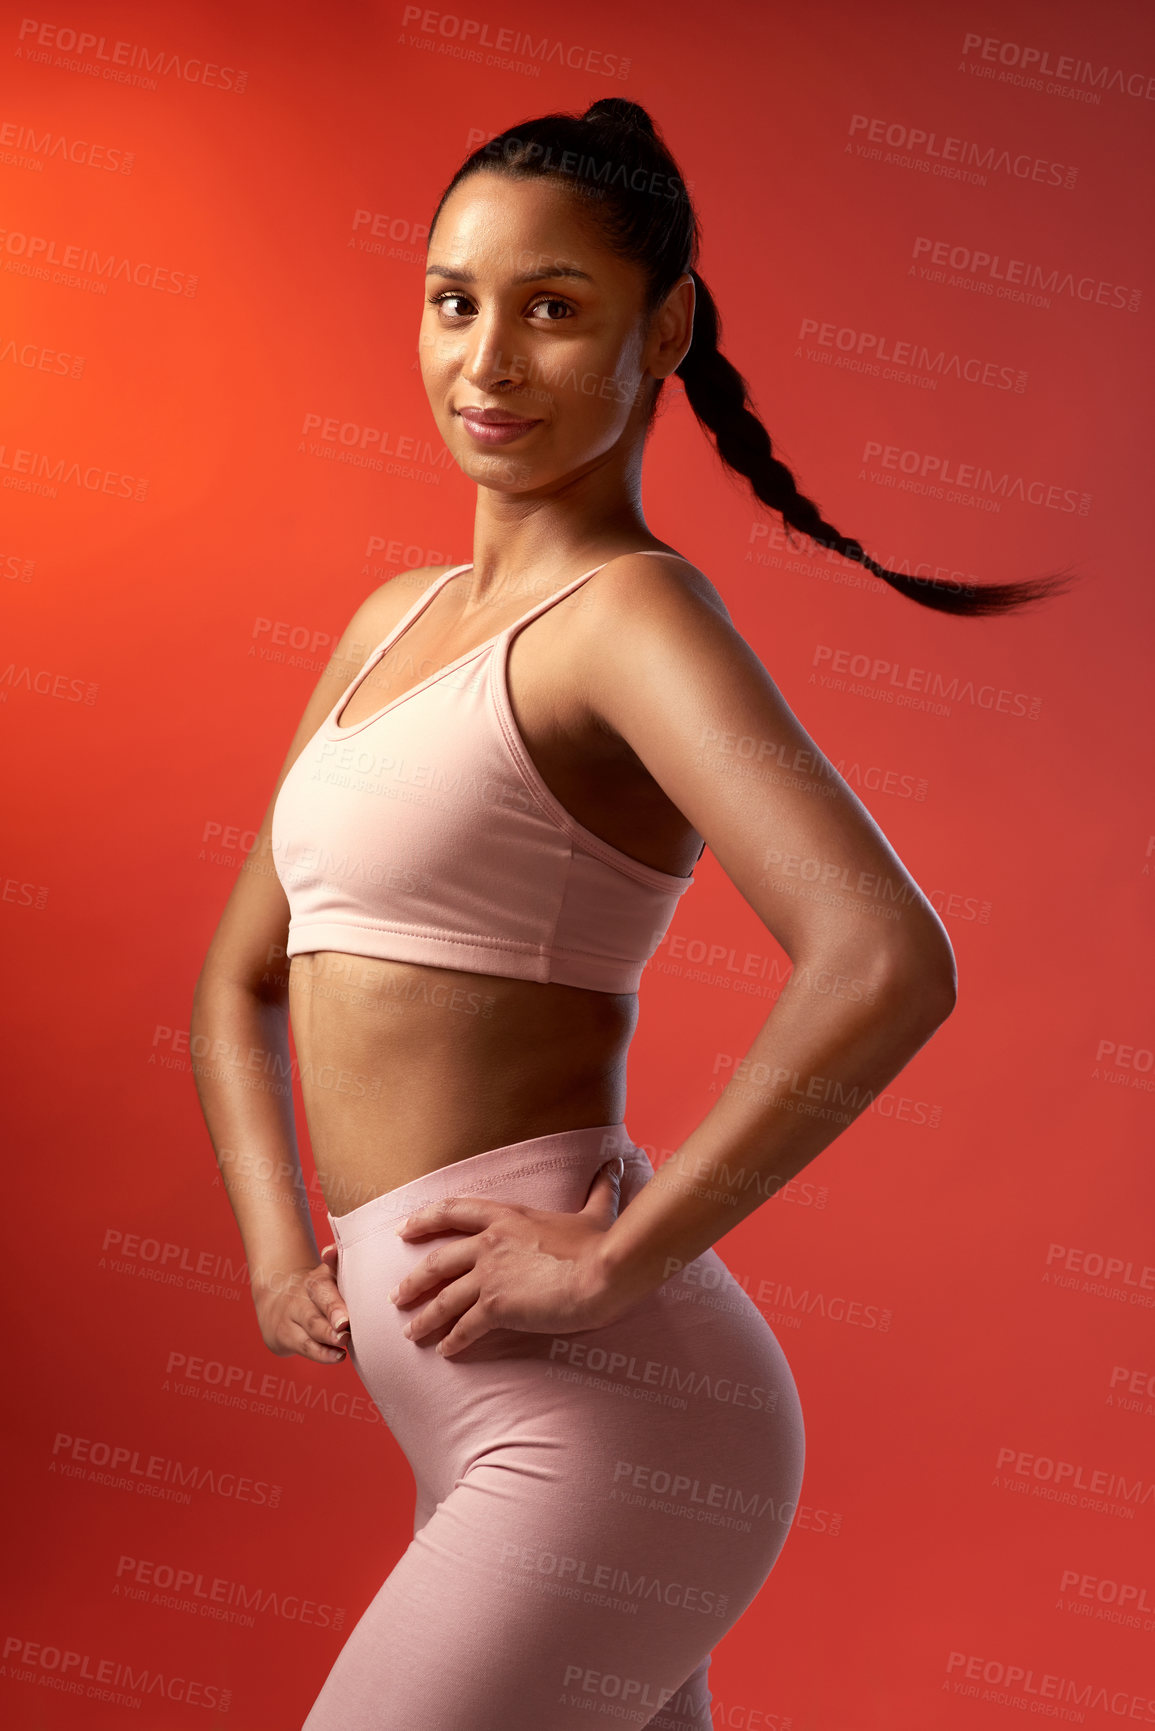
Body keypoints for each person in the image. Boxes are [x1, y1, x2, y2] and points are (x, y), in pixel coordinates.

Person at [191, 98, 1064, 1731]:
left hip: (601, 1432)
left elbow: (887, 956)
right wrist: (268, 1248)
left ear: (660, 330)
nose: (490, 360)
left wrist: (615, 1267)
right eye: (456, 299)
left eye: (554, 307)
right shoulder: (395, 622)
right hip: (466, 1426)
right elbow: (238, 980)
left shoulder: (633, 619)